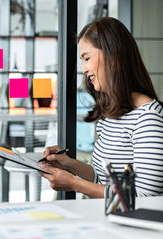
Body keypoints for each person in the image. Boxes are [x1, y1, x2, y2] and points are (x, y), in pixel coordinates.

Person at [40, 17, 163, 198]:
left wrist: (74, 184)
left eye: (87, 58)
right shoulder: (112, 114)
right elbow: (103, 180)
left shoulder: (148, 118)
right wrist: (67, 164)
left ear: (113, 54)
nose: (84, 69)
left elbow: (145, 196)